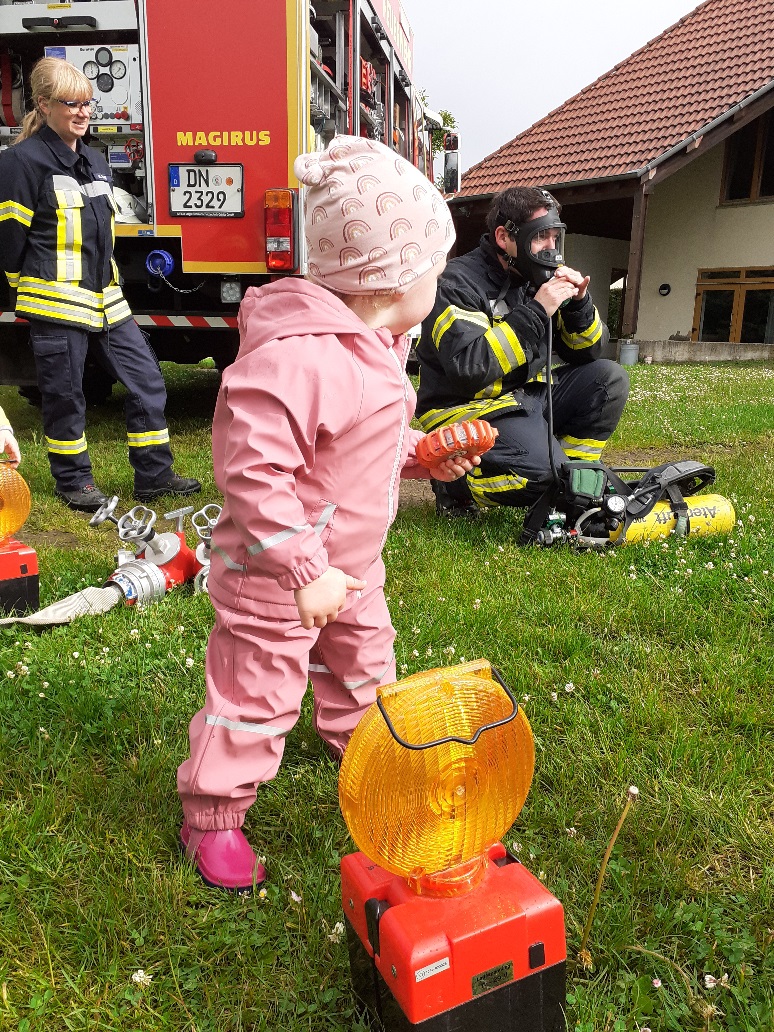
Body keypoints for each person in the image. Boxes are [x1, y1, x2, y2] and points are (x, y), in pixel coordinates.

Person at [177, 136, 473, 892]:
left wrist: (419, 456)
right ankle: (214, 813)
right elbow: (254, 469)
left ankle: (366, 755)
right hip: (276, 578)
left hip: (351, 571)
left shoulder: (374, 343)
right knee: (256, 694)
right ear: (387, 280)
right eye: (434, 269)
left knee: (368, 669)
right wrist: (304, 569)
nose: (440, 283)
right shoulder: (303, 358)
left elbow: (347, 454)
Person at [0, 57, 200, 512]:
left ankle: (154, 476)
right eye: (72, 103)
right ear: (44, 104)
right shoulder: (19, 163)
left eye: (88, 103)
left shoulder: (92, 160)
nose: (83, 112)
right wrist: (27, 287)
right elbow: (9, 241)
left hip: (107, 301)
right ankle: (74, 482)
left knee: (147, 380)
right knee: (65, 396)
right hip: (55, 303)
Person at [416, 186, 629, 518]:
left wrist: (579, 305)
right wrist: (536, 311)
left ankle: (577, 484)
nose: (551, 248)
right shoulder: (457, 283)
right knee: (543, 475)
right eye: (540, 237)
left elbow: (587, 353)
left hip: (522, 399)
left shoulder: (534, 280)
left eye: (555, 237)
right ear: (504, 237)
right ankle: (456, 486)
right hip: (465, 408)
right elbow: (469, 369)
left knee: (608, 379)